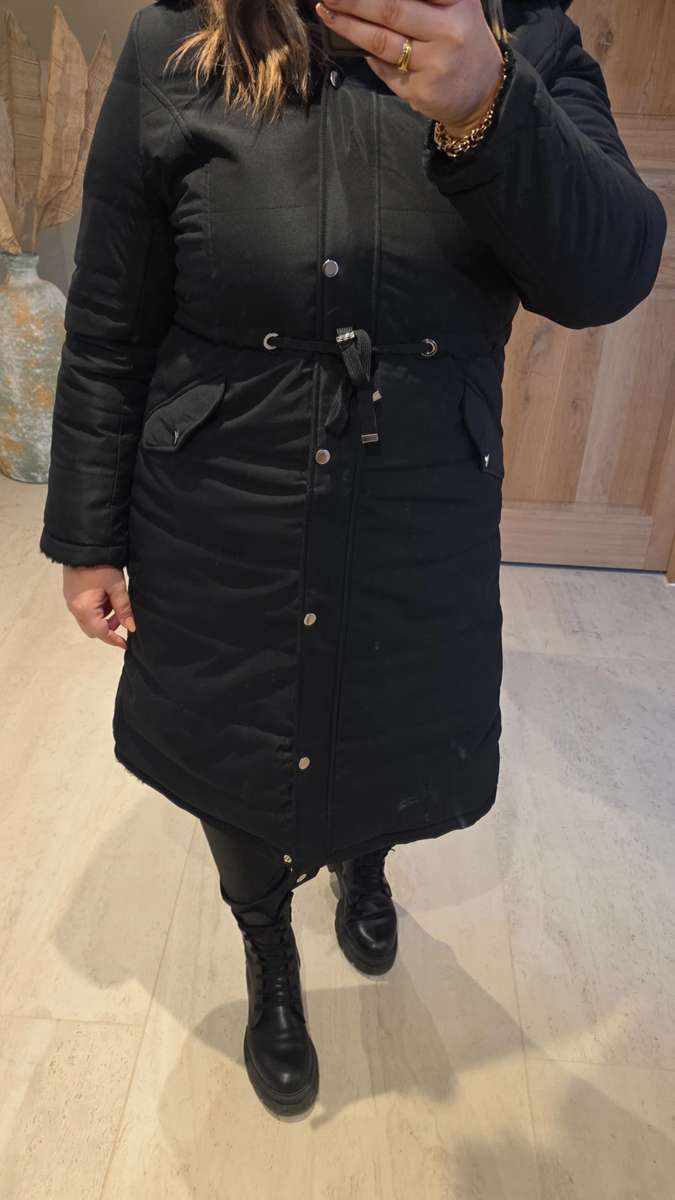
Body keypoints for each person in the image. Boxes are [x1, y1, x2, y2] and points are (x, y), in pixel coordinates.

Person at [38, 0, 666, 1117]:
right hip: (220, 514)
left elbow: (609, 272)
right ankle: (266, 946)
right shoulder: (177, 41)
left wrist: (488, 104)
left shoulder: (522, 37)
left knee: (386, 726)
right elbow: (110, 319)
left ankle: (363, 860)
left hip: (418, 512)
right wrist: (87, 534)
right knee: (234, 749)